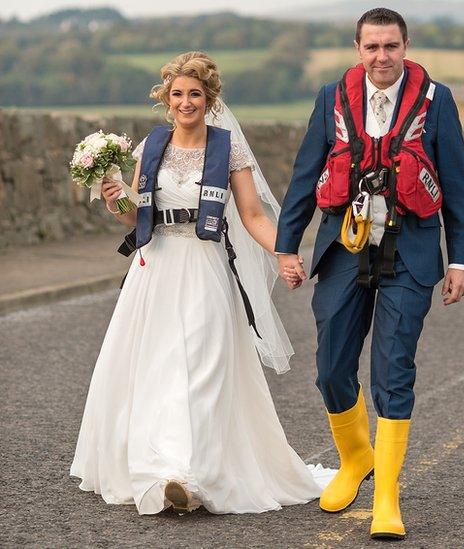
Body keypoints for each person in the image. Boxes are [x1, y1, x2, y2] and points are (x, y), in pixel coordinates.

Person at [70, 51, 330, 515]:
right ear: (166, 100)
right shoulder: (152, 147)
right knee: (159, 369)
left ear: (209, 100)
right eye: (177, 95)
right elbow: (134, 215)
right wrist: (114, 199)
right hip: (156, 269)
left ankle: (192, 474)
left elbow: (252, 214)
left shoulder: (227, 148)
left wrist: (284, 253)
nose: (186, 102)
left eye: (195, 94)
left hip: (206, 268)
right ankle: (166, 471)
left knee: (202, 368)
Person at [276, 8, 464, 540]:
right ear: (357, 50)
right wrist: (285, 246)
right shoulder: (329, 98)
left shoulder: (438, 100)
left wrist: (461, 259)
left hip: (410, 253)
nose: (382, 57)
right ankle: (354, 459)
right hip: (343, 247)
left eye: (391, 47)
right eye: (372, 47)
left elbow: (456, 182)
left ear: (405, 47)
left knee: (393, 372)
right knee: (331, 367)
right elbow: (304, 173)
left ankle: (386, 496)